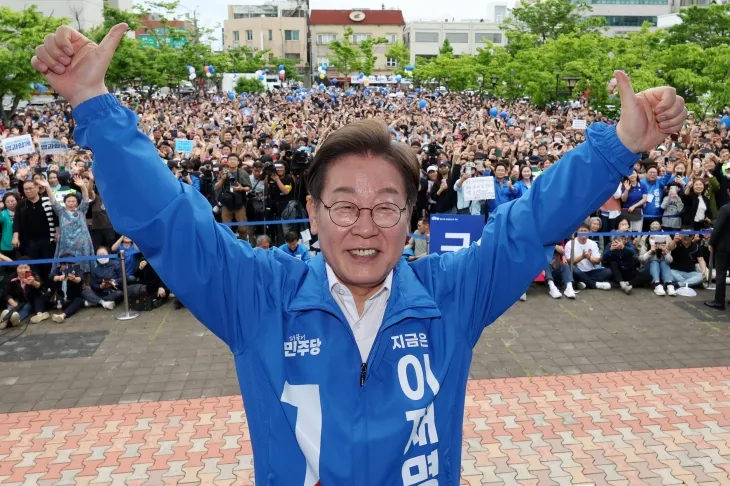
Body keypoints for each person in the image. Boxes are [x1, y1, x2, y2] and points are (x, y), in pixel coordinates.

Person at [31, 23, 686, 485]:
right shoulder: (259, 296)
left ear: (412, 218)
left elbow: (529, 225)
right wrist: (94, 104)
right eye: (344, 205)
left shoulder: (452, 296)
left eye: (386, 206)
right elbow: (170, 224)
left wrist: (620, 145)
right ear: (313, 212)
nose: (364, 226)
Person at [706, 194, 730, 310]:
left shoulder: (725, 208)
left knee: (721, 273)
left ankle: (719, 301)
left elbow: (718, 228)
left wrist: (711, 243)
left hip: (724, 246)